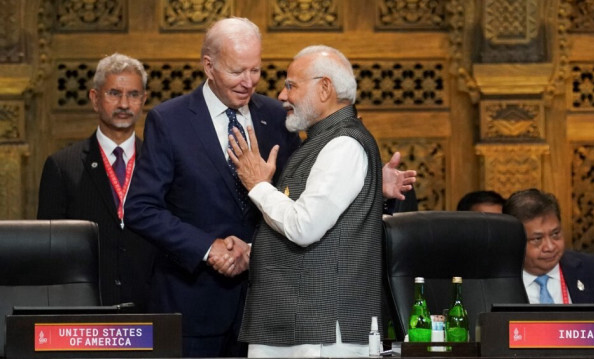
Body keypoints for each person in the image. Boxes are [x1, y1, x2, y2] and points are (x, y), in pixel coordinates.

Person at [124, 18, 415, 358]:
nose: (249, 83)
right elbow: (141, 209)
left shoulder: (280, 116)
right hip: (194, 303)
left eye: (256, 71)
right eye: (237, 72)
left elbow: (306, 193)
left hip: (272, 304)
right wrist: (208, 248)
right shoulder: (169, 120)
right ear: (209, 66)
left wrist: (369, 183)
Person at [229, 45, 382, 358]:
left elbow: (304, 226)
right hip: (299, 327)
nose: (282, 96)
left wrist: (258, 185)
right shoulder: (322, 142)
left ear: (324, 88)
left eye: (291, 85)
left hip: (320, 332)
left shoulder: (344, 144)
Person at [37, 53, 155, 312]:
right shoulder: (62, 165)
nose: (124, 103)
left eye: (133, 95)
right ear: (95, 99)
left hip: (150, 309)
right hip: (84, 307)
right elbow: (49, 252)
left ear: (143, 100)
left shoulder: (159, 163)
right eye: (114, 93)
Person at [503, 188, 594, 304]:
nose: (550, 247)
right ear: (514, 240)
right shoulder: (493, 283)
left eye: (555, 234)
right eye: (537, 239)